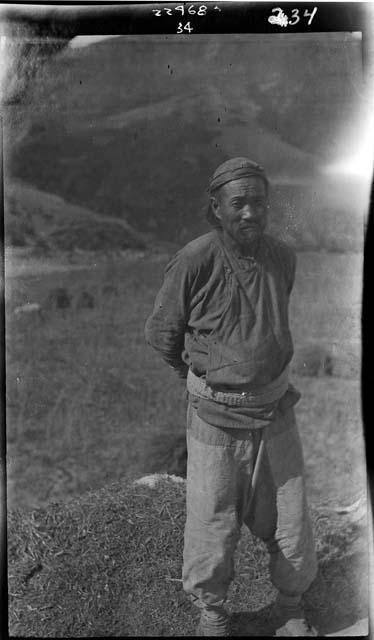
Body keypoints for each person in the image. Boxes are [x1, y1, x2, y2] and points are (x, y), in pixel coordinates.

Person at [145, 157, 318, 637]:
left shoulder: (283, 258)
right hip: (214, 421)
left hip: (276, 414)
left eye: (257, 202)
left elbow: (272, 325)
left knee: (291, 516)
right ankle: (214, 616)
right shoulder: (194, 259)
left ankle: (290, 608)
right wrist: (201, 380)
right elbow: (162, 333)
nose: (249, 213)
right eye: (237, 203)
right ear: (216, 208)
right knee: (212, 523)